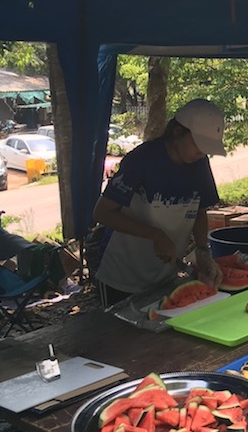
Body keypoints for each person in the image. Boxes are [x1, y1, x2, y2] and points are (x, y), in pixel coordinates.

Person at [93, 99, 226, 307]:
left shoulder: (200, 164)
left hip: (165, 276)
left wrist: (203, 251)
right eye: (197, 144)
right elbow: (102, 213)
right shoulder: (142, 159)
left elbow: (200, 211)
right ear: (178, 132)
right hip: (121, 275)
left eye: (206, 149)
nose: (201, 152)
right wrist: (154, 235)